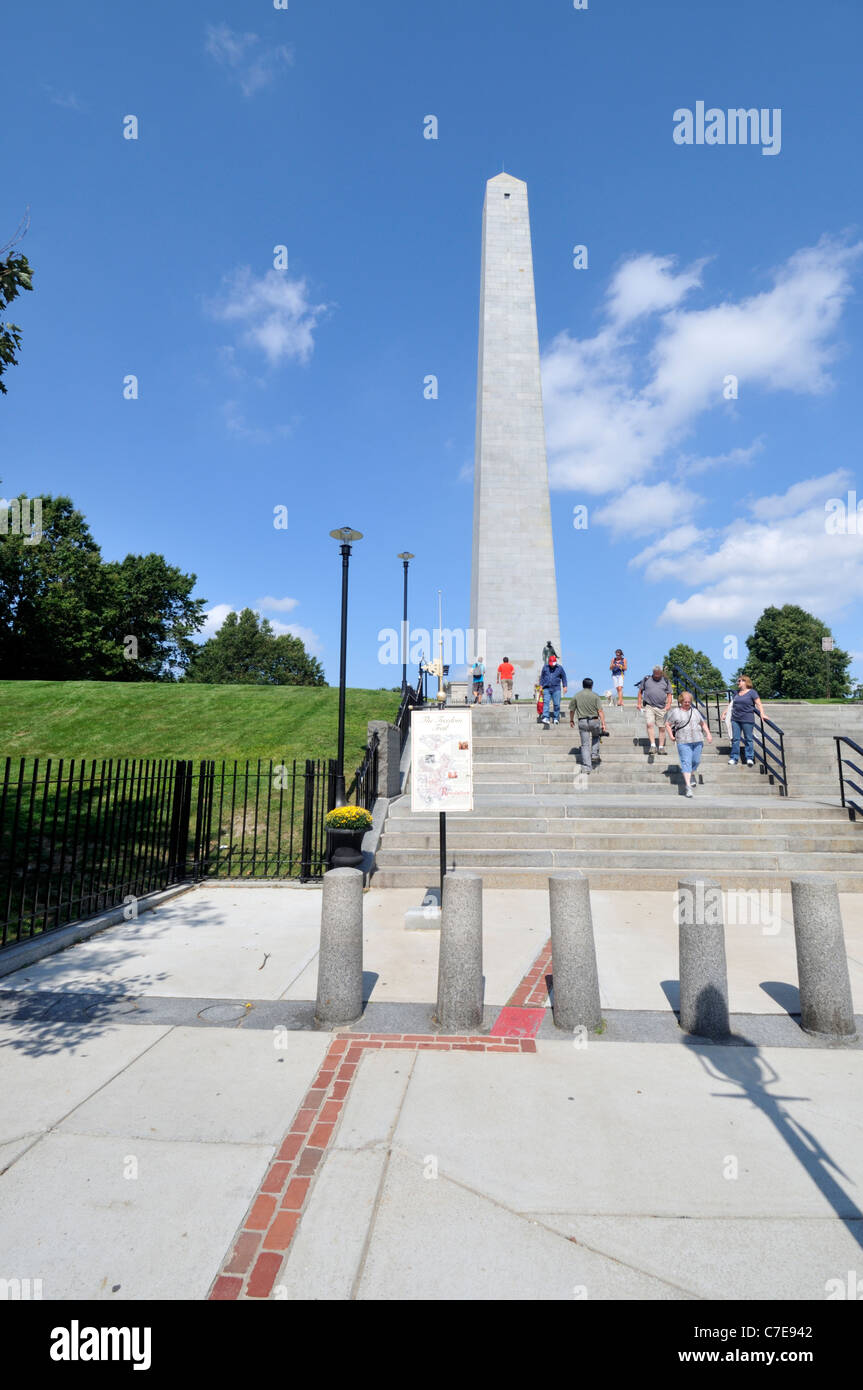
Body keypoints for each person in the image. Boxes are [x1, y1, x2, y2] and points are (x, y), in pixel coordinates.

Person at [667, 690, 712, 797]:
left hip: (697, 740)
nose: (687, 703)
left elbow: (702, 723)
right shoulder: (675, 712)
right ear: (681, 701)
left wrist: (708, 734)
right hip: (683, 741)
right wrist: (671, 736)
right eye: (685, 702)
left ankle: (692, 774)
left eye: (689, 702)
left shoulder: (695, 711)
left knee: (696, 761)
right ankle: (688, 787)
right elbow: (668, 724)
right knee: (686, 762)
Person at [721, 675, 766, 767]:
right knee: (735, 739)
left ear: (746, 682)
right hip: (735, 719)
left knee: (748, 739)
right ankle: (734, 758)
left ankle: (749, 757)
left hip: (747, 719)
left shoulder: (752, 692)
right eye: (738, 681)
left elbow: (758, 703)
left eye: (740, 681)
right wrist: (725, 712)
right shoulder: (736, 693)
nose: (738, 682)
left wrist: (762, 713)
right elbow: (731, 704)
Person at [569, 677, 608, 773]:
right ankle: (594, 754)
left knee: (585, 745)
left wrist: (571, 720)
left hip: (582, 722)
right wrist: (603, 724)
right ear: (592, 686)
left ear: (583, 685)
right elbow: (600, 711)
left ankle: (587, 767)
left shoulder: (577, 696)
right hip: (594, 721)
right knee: (596, 736)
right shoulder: (595, 696)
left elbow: (572, 710)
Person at [636, 665, 673, 753]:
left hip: (662, 707)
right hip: (649, 705)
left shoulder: (666, 681)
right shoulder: (646, 679)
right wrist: (639, 703)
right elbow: (640, 691)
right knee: (649, 724)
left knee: (662, 727)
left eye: (658, 674)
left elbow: (669, 694)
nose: (656, 676)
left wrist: (668, 704)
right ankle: (652, 745)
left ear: (661, 673)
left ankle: (661, 747)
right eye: (655, 674)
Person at [539, 652, 568, 727]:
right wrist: (541, 686)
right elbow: (542, 677)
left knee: (557, 704)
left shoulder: (560, 668)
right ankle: (546, 717)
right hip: (546, 688)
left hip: (556, 688)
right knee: (546, 702)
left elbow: (564, 677)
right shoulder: (545, 667)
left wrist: (565, 686)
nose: (552, 666)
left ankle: (556, 718)